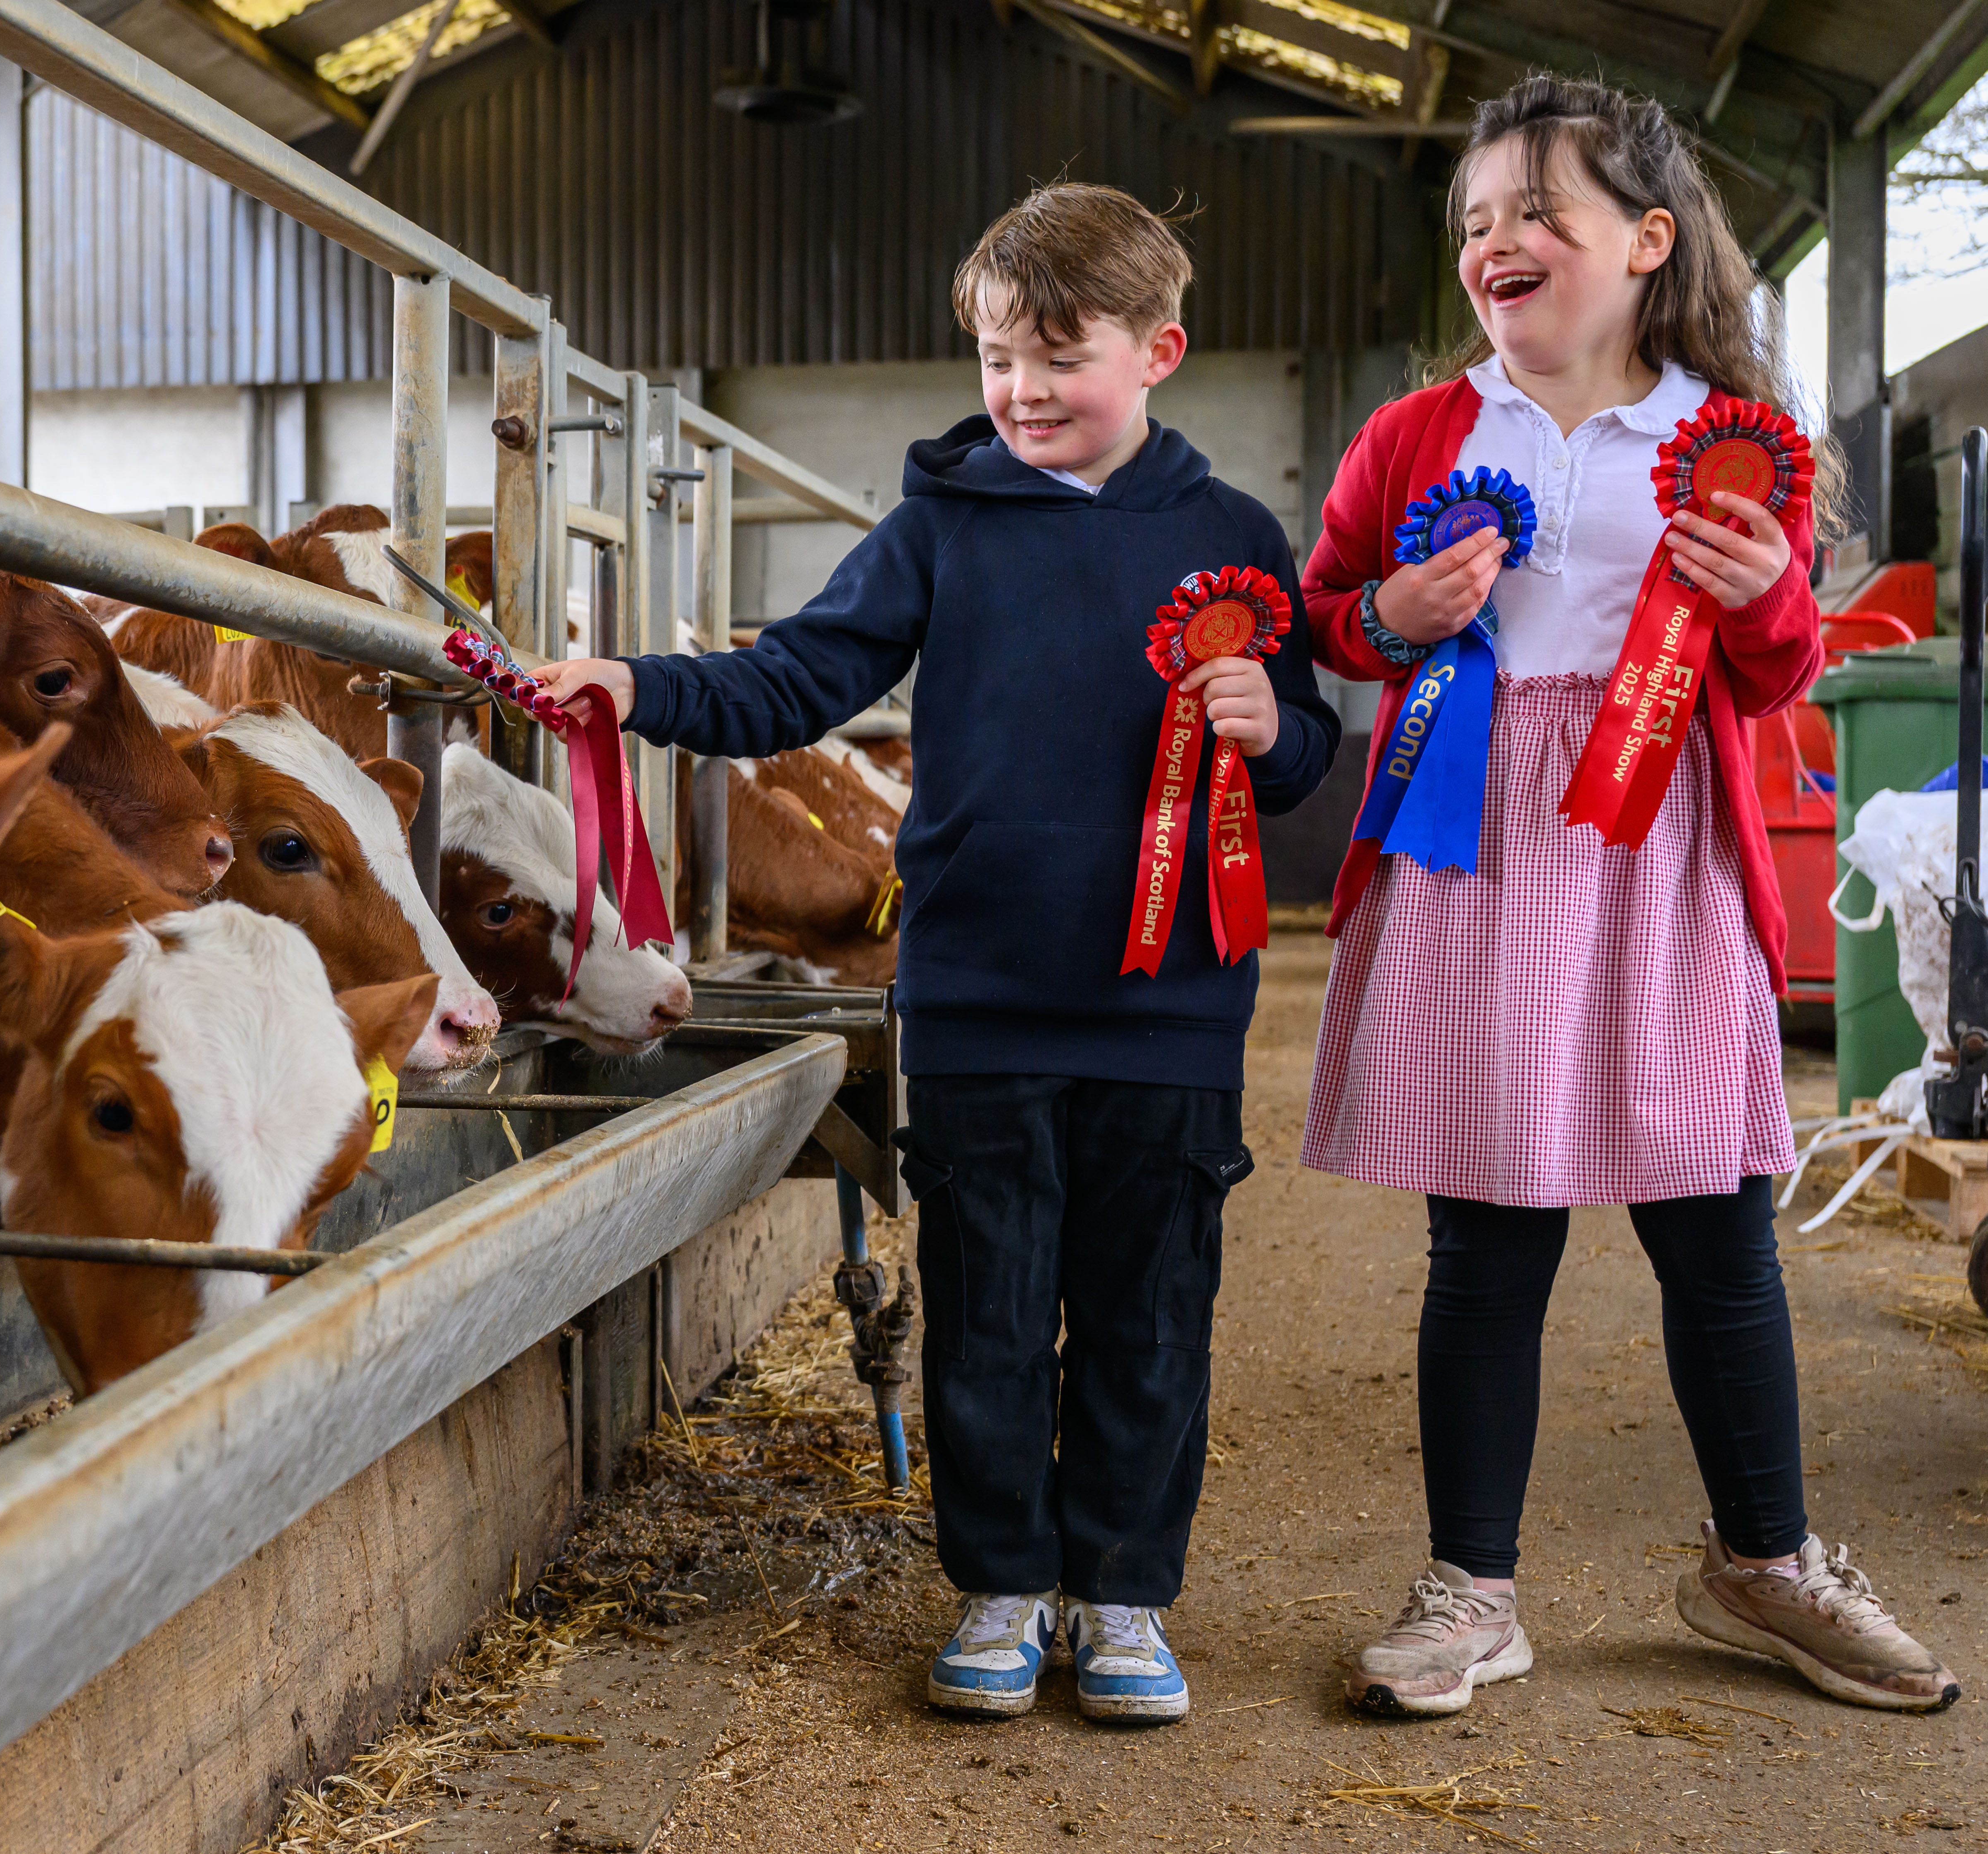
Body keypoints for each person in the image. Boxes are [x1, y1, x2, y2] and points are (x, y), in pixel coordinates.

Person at [536, 183, 1339, 1723]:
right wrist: (637, 687)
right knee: (983, 1303)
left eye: (1059, 357)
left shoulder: (1235, 540)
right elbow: (798, 678)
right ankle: (997, 1587)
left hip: (1168, 1005)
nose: (1023, 392)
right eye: (995, 359)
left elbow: (1306, 755)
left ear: (1157, 349)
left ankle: (1118, 1598)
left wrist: (1272, 728)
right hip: (975, 999)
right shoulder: (939, 527)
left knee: (1147, 1311)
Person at [1303, 76, 1958, 1717]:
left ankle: (1763, 1559)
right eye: (1472, 221)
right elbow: (1328, 613)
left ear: (1645, 243)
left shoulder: (1723, 439)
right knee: (1487, 1238)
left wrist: (1766, 609)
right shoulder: (1414, 435)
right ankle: (1470, 1588)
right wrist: (1386, 602)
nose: (1494, 242)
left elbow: (1778, 669)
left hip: (1657, 846)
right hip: (1478, 857)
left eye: (1536, 213)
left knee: (1713, 1226)